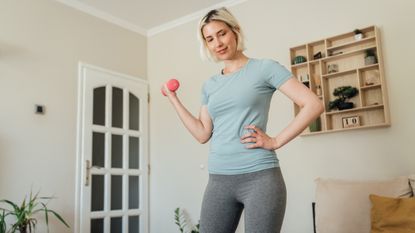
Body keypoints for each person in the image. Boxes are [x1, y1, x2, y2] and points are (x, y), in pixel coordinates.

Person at [162, 7, 324, 233]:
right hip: (218, 180)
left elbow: (313, 104)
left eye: (222, 33)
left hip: (260, 178)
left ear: (235, 31)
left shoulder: (264, 68)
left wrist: (275, 141)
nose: (217, 43)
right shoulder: (210, 85)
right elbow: (202, 133)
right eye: (209, 39)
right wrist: (173, 99)